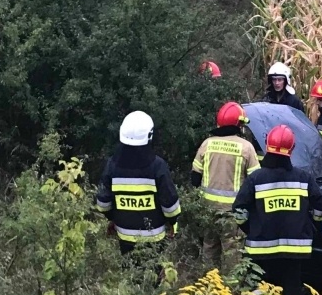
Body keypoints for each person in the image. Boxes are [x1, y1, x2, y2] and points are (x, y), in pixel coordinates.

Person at [231, 124, 322, 295]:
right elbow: (321, 205)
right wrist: (315, 225)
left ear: (268, 147)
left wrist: (249, 228)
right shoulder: (303, 178)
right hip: (295, 250)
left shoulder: (255, 178)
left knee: (261, 291)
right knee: (292, 291)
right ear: (291, 149)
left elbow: (239, 210)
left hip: (261, 249)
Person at [95, 110, 181, 256]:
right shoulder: (158, 166)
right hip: (154, 238)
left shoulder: (112, 165)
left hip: (124, 237)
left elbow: (103, 204)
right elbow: (170, 206)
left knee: (129, 276)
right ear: (150, 135)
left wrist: (112, 218)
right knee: (152, 276)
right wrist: (173, 222)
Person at [190, 101, 260, 264]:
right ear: (238, 124)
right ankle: (231, 288)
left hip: (208, 210)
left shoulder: (207, 144)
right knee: (232, 256)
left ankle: (209, 286)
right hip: (232, 213)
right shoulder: (247, 148)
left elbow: (195, 177)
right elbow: (254, 182)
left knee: (209, 251)